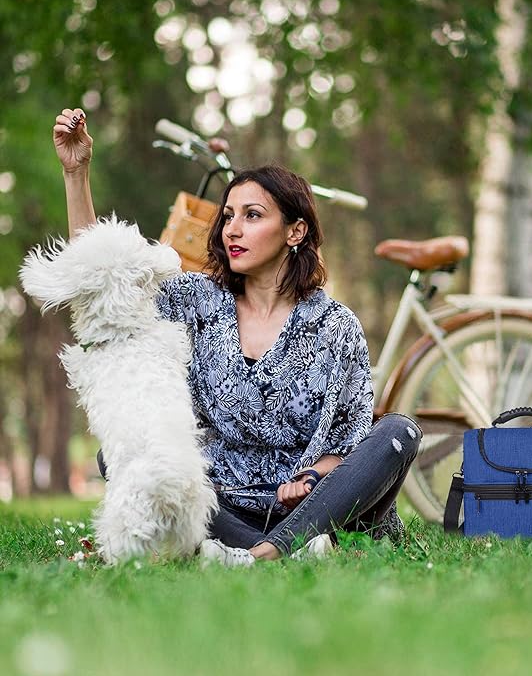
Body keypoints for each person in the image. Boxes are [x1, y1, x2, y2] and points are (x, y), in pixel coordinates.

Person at [53, 107, 422, 566]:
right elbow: (102, 278)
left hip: (316, 508)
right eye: (229, 216)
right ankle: (276, 552)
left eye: (252, 215)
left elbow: (347, 445)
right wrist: (76, 173)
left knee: (398, 432)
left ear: (295, 231)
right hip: (220, 502)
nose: (233, 229)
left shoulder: (336, 326)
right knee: (124, 459)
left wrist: (309, 480)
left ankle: (263, 553)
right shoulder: (197, 301)